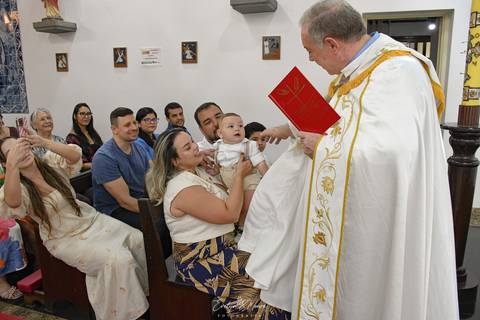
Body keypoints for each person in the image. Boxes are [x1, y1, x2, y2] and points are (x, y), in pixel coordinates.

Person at [239, 1, 458, 319]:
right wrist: (291, 128)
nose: (310, 59)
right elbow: (341, 122)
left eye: (310, 50)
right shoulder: (355, 74)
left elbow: (393, 152)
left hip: (378, 215)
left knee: (371, 293)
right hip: (348, 208)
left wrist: (325, 146)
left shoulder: (399, 72)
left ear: (331, 43)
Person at [145, 128, 289, 320]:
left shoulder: (196, 172)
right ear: (175, 161)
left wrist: (217, 174)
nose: (196, 148)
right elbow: (230, 213)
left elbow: (225, 198)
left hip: (220, 248)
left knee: (273, 272)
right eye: (188, 147)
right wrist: (239, 175)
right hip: (201, 259)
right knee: (264, 296)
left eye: (193, 142)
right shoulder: (182, 187)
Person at [0, 137, 148, 320]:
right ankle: (126, 315)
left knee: (138, 239)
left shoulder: (48, 164)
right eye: (12, 153)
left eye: (20, 147)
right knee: (117, 260)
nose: (20, 153)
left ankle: (142, 297)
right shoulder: (19, 187)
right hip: (65, 237)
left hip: (90, 221)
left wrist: (43, 142)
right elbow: (12, 202)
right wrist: (13, 165)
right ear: (6, 163)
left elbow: (74, 155)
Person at [92, 107, 150, 230]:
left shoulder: (139, 148)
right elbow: (125, 201)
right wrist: (157, 210)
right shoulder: (104, 157)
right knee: (158, 224)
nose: (134, 127)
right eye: (127, 125)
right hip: (114, 210)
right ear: (115, 130)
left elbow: (150, 180)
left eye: (134, 122)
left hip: (139, 201)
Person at [214, 113, 268, 229]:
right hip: (229, 182)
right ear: (220, 133)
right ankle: (238, 225)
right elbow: (214, 163)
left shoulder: (250, 145)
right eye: (231, 126)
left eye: (240, 125)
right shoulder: (218, 146)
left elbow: (260, 162)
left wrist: (268, 177)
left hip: (249, 179)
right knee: (236, 206)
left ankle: (243, 227)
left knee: (249, 205)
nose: (237, 128)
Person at [66, 103, 103, 171]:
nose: (86, 117)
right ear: (75, 116)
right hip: (88, 174)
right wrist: (100, 164)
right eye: (82, 114)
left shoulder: (93, 132)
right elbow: (79, 164)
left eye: (88, 114)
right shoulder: (71, 138)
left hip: (102, 168)